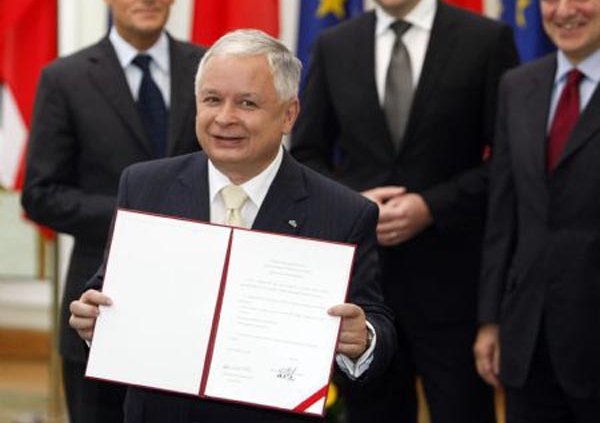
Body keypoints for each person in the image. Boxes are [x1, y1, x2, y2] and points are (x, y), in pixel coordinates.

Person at [68, 29, 396, 423]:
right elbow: (109, 288)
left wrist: (362, 341)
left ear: (289, 114)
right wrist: (93, 315)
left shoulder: (343, 211)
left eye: (247, 103)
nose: (225, 118)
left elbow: (375, 323)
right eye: (211, 100)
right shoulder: (143, 186)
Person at [290, 0, 519, 422]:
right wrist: (357, 201)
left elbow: (512, 164)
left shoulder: (485, 40)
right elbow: (307, 155)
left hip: (455, 290)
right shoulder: (334, 46)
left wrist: (431, 206)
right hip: (367, 295)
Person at [20, 0, 205, 421]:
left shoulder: (208, 69)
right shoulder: (65, 78)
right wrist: (137, 218)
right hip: (99, 306)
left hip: (195, 307)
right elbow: (40, 193)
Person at [474, 0, 600, 421]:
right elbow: (503, 213)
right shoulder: (518, 85)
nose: (564, 11)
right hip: (527, 341)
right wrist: (490, 319)